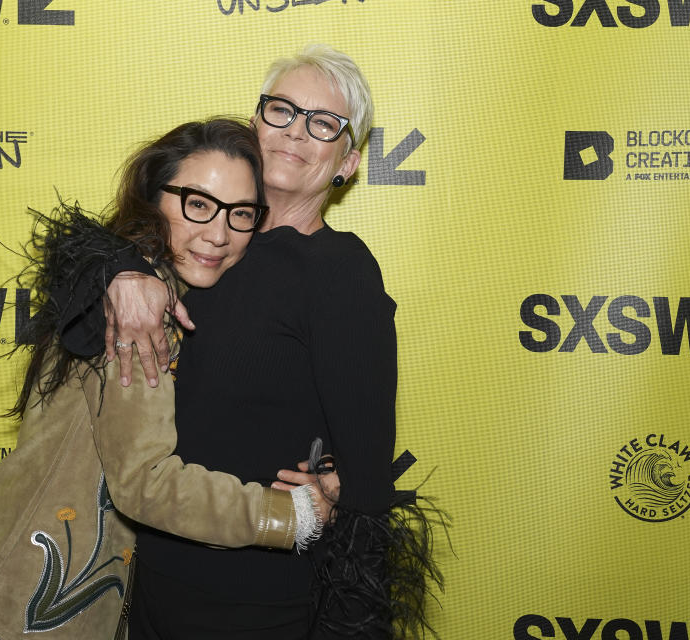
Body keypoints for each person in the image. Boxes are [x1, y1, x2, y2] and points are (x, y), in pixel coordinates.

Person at [81, 45, 442, 638]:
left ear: (347, 161)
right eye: (282, 110)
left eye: (324, 123)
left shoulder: (338, 272)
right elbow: (77, 276)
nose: (296, 131)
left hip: (259, 604)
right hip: (146, 580)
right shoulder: (197, 243)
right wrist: (124, 270)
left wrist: (341, 481)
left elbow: (368, 476)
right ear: (255, 123)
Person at [0, 118, 329, 640]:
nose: (218, 233)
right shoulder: (136, 310)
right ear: (155, 196)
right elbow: (145, 484)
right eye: (197, 204)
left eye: (240, 214)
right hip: (33, 604)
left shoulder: (154, 282)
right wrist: (294, 515)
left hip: (86, 595)